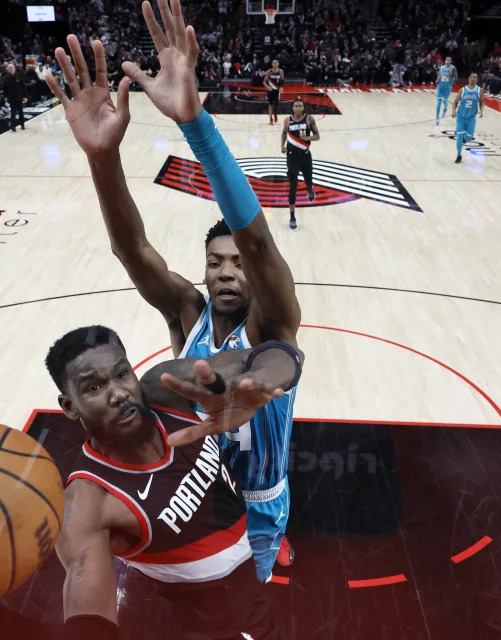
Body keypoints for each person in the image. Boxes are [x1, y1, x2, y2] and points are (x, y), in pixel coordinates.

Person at [45, 0, 302, 584]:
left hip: (260, 492)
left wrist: (197, 126)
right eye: (216, 264)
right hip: (194, 481)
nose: (229, 272)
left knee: (256, 581)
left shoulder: (274, 320)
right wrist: (103, 157)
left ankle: (275, 537)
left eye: (237, 263)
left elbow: (260, 246)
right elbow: (131, 250)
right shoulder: (187, 309)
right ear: (204, 272)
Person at [0, 325, 301, 639]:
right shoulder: (89, 505)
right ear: (69, 408)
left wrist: (261, 381)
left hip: (252, 584)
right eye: (93, 388)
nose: (118, 392)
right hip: (211, 626)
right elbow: (87, 627)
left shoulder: (165, 389)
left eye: (121, 373)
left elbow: (282, 353)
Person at [281, 97, 320, 230]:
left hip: (305, 156)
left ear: (303, 108)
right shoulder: (287, 120)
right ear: (292, 108)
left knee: (308, 180)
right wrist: (282, 145)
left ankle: (310, 189)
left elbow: (317, 136)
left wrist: (307, 138)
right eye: (296, 106)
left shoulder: (309, 119)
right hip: (292, 157)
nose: (298, 108)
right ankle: (292, 216)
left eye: (300, 106)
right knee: (293, 186)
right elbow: (284, 133)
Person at [452, 72, 484, 164]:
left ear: (477, 79)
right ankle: (459, 155)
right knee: (459, 137)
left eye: (475, 77)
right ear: (469, 78)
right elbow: (455, 103)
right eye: (472, 77)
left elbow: (482, 102)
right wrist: (454, 111)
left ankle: (464, 138)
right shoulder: (462, 90)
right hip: (461, 118)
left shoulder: (479, 90)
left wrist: (481, 111)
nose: (473, 79)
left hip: (471, 118)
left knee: (468, 138)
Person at [3, 63, 28, 132]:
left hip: (19, 97)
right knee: (13, 112)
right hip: (11, 98)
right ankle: (13, 127)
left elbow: (23, 87)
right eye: (10, 68)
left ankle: (22, 125)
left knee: (21, 112)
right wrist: (5, 97)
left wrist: (25, 96)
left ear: (14, 69)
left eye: (12, 68)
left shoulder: (19, 76)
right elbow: (4, 89)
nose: (11, 69)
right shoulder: (6, 78)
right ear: (8, 70)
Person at [435, 55, 457, 125]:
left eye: (449, 60)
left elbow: (456, 78)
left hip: (447, 88)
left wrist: (450, 78)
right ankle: (437, 118)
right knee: (438, 103)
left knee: (445, 101)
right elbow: (439, 75)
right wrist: (438, 79)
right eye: (447, 60)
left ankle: (445, 110)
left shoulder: (453, 68)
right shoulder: (441, 68)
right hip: (440, 87)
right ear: (445, 61)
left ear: (451, 61)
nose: (448, 61)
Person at [263, 60, 284, 125]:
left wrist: (281, 87)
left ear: (278, 64)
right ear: (272, 64)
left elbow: (282, 80)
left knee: (276, 104)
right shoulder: (269, 71)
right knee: (270, 104)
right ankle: (270, 119)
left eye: (276, 63)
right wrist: (267, 87)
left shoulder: (280, 71)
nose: (275, 64)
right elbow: (264, 82)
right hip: (270, 90)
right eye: (274, 63)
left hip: (277, 90)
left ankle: (275, 114)